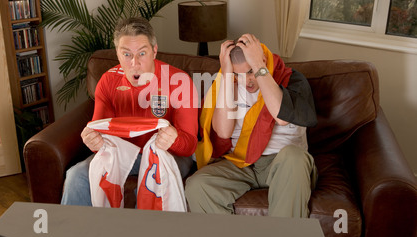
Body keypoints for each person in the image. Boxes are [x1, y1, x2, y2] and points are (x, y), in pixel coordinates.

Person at [61, 17, 198, 206]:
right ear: (117, 54)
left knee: (151, 181)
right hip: (123, 153)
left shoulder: (179, 81)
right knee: (76, 175)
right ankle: (74, 235)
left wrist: (174, 139)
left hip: (168, 153)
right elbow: (100, 137)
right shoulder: (108, 81)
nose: (134, 63)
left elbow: (189, 145)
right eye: (126, 54)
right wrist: (93, 141)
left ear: (154, 51)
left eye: (142, 53)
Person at [186, 34, 318, 218]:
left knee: (294, 157)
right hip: (241, 163)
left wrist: (259, 67)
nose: (246, 81)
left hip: (281, 163)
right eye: (237, 74)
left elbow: (282, 116)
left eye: (249, 72)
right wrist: (225, 74)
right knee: (197, 186)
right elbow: (223, 132)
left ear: (262, 60)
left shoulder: (292, 79)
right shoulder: (229, 83)